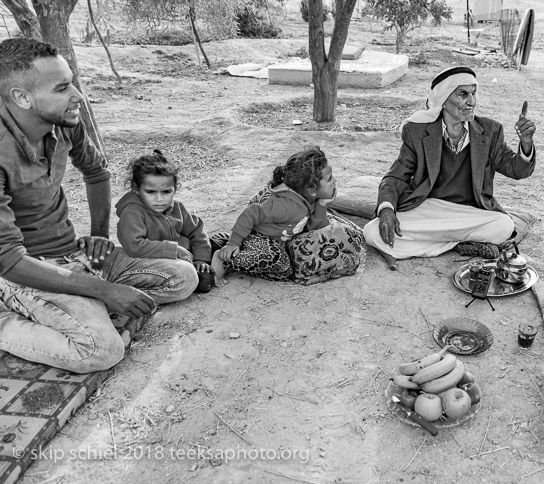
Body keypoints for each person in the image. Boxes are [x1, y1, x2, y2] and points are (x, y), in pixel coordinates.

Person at [0, 38, 198, 373]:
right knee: (101, 350)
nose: (78, 96)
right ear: (22, 97)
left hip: (73, 254)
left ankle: (81, 300)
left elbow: (96, 172)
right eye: (63, 88)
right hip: (24, 273)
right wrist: (104, 290)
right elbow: (8, 259)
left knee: (183, 278)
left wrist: (98, 236)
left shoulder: (63, 123)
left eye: (73, 82)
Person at [363, 66, 538, 260]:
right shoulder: (417, 132)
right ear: (443, 100)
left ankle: (442, 243)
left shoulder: (489, 131)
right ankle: (459, 244)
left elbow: (516, 170)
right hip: (428, 208)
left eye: (473, 93)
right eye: (463, 94)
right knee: (372, 232)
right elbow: (396, 176)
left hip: (470, 213)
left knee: (503, 226)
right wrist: (386, 208)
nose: (471, 101)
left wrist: (526, 143)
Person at [211, 146, 336, 285]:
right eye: (330, 179)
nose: (334, 181)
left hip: (276, 241)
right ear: (311, 188)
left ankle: (225, 243)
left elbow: (315, 227)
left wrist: (322, 205)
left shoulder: (310, 199)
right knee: (278, 262)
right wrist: (233, 243)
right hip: (259, 237)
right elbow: (252, 212)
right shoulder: (286, 206)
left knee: (286, 270)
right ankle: (225, 259)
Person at [116, 149, 214, 293]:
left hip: (184, 251)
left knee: (216, 245)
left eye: (166, 192)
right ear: (137, 189)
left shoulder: (177, 207)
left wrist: (202, 259)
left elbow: (196, 229)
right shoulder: (132, 212)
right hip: (153, 261)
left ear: (175, 189)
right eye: (150, 192)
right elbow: (134, 246)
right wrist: (173, 250)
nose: (160, 199)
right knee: (203, 282)